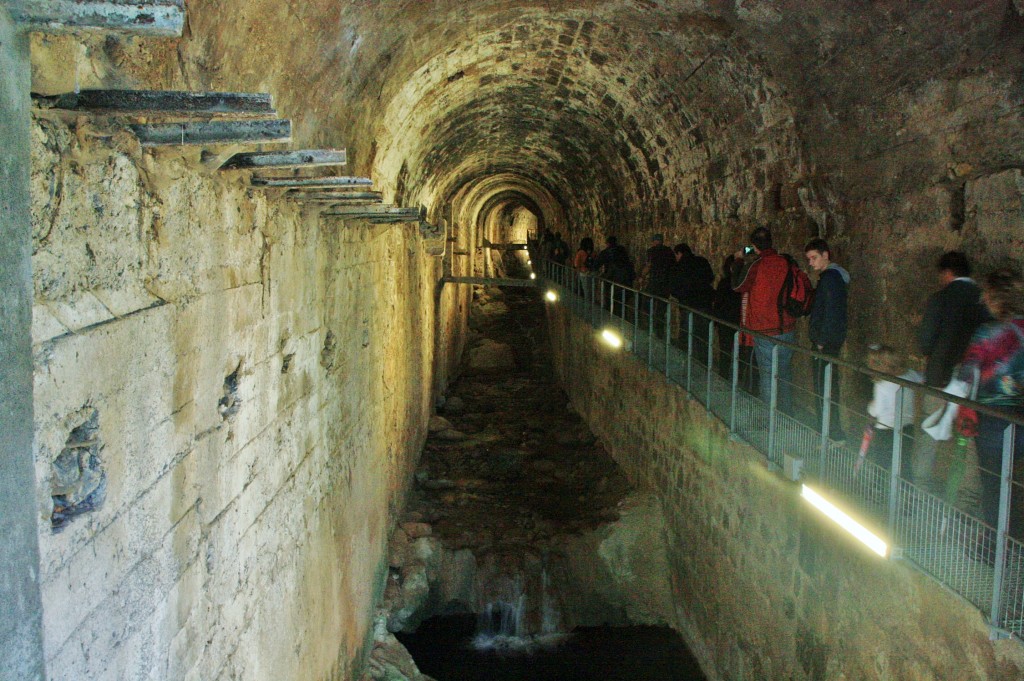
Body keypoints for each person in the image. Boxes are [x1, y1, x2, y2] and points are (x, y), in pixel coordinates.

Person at [915, 251, 991, 486]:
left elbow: (925, 342)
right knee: (968, 437)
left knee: (930, 429)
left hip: (941, 376)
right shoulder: (985, 300)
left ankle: (919, 485)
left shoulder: (941, 298)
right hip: (974, 381)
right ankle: (965, 496)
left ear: (947, 273)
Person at [959, 268, 1024, 536]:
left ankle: (994, 547)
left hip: (992, 419)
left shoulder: (987, 333)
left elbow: (967, 375)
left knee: (994, 482)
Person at [731, 227, 797, 414]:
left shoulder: (757, 266)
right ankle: (786, 416)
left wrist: (738, 260)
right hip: (787, 327)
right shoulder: (786, 261)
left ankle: (770, 422)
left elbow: (737, 285)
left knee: (768, 377)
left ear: (754, 246)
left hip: (765, 330)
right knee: (784, 374)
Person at [806, 238, 850, 440]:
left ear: (826, 255)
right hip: (830, 341)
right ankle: (830, 432)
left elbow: (831, 312)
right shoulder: (832, 278)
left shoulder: (830, 279)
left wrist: (821, 341)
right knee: (827, 387)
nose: (811, 263)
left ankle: (830, 434)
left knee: (823, 388)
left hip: (825, 344)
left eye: (814, 258)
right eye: (809, 259)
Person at [863, 345, 922, 475]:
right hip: (907, 427)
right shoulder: (910, 374)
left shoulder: (882, 384)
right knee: (904, 462)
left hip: (886, 429)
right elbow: (921, 378)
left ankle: (878, 489)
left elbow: (877, 410)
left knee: (882, 462)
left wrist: (870, 406)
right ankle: (907, 492)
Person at [670, 243, 715, 353]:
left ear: (679, 253)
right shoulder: (702, 261)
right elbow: (710, 277)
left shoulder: (679, 266)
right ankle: (703, 361)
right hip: (705, 303)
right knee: (703, 335)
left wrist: (679, 295)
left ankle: (687, 360)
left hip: (688, 304)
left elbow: (674, 287)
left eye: (676, 255)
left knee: (687, 333)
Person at [641, 233, 676, 336]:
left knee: (647, 303)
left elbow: (649, 266)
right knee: (661, 308)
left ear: (653, 241)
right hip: (665, 284)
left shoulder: (651, 251)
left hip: (654, 283)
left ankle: (649, 327)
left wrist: (642, 275)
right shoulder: (669, 251)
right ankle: (659, 331)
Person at [594, 236, 634, 314]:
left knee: (611, 301)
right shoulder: (623, 251)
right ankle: (623, 318)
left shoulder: (606, 252)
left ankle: (611, 319)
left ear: (607, 243)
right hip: (626, 281)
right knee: (623, 303)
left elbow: (596, 265)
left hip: (612, 280)